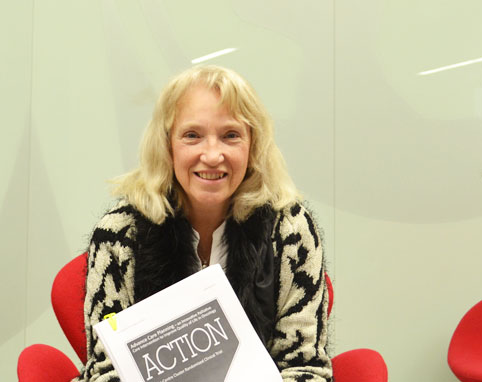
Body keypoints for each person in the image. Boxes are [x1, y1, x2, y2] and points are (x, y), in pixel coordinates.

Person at [77, 65, 331, 381]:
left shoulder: (292, 231)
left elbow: (307, 369)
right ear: (167, 144)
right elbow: (105, 372)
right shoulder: (119, 234)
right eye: (192, 136)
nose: (212, 155)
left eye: (230, 136)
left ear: (254, 145)